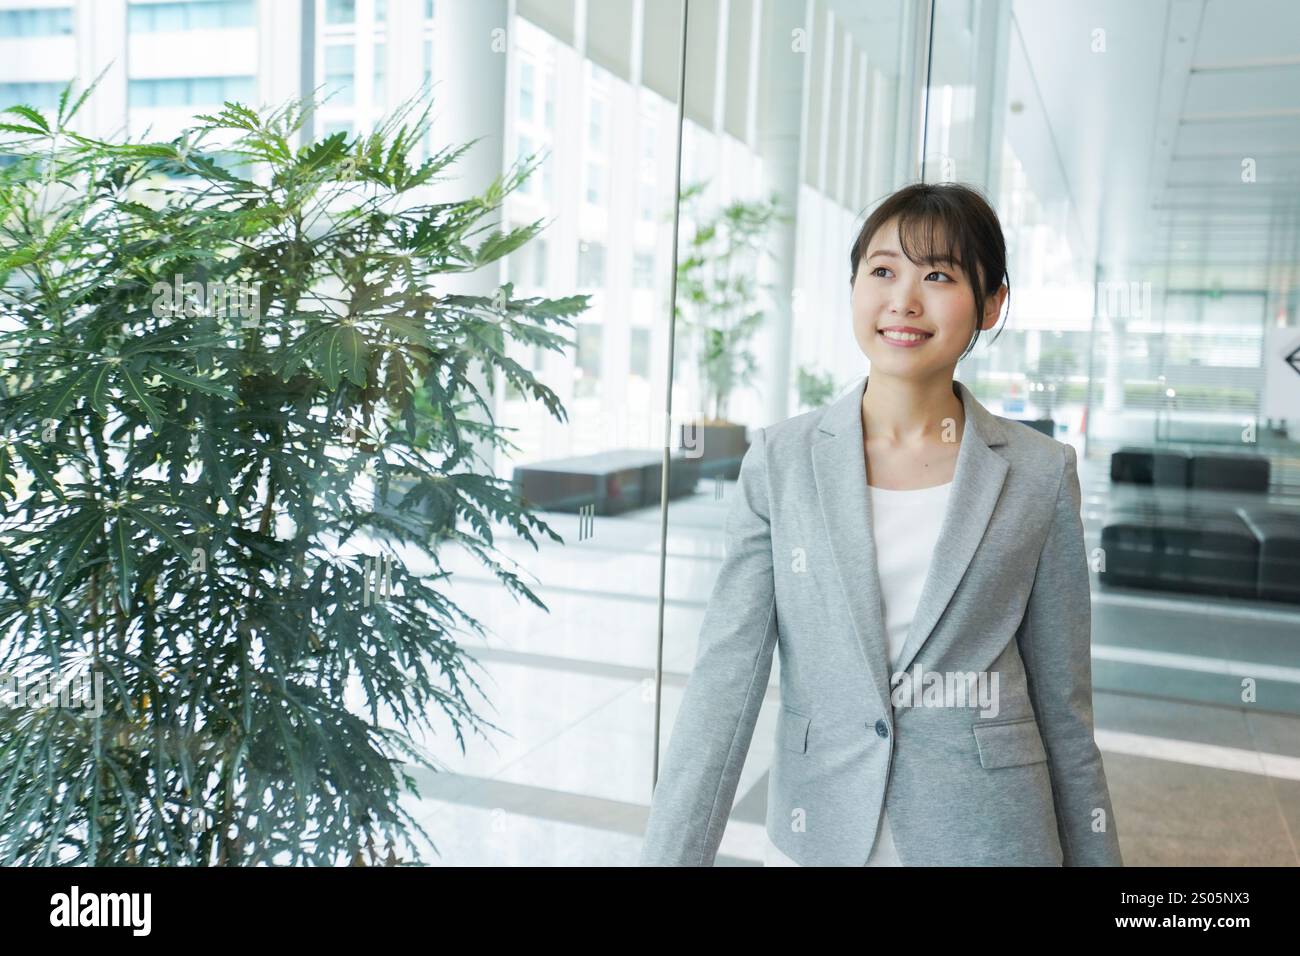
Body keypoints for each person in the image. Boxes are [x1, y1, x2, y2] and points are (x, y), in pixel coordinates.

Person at [640, 181, 1123, 867]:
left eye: (939, 275)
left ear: (992, 303)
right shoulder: (782, 462)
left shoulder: (1039, 473)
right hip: (825, 830)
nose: (904, 300)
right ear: (854, 287)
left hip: (991, 836)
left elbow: (1065, 709)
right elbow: (724, 685)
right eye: (883, 270)